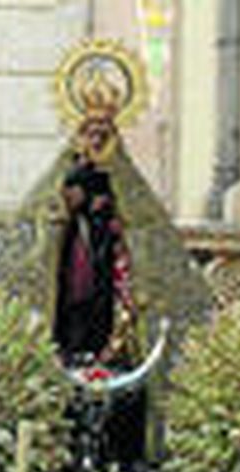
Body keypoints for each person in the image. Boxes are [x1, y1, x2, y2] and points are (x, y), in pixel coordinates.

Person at [53, 93, 133, 367]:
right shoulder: (72, 169)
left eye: (103, 134)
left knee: (105, 299)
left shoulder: (121, 172)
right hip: (81, 242)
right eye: (91, 133)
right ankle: (75, 349)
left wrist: (114, 209)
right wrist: (83, 202)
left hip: (110, 247)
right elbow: (59, 202)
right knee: (79, 294)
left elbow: (135, 207)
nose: (97, 140)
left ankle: (103, 351)